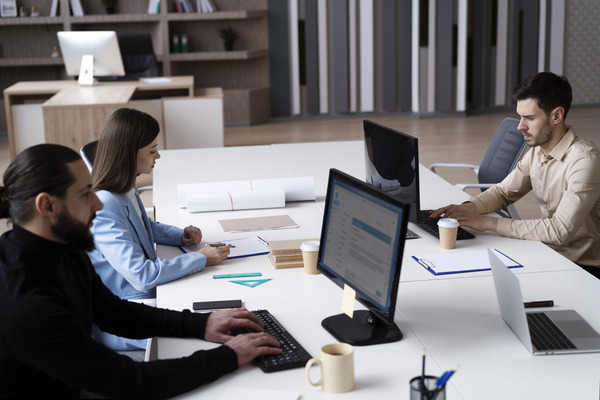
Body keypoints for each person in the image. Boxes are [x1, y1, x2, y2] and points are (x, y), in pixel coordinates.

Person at [0, 143, 281, 398]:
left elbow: (116, 314)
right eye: (86, 194)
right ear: (46, 205)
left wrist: (202, 324)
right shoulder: (26, 304)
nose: (98, 203)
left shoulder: (63, 247)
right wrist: (229, 356)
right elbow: (133, 381)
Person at [87, 108, 231, 350]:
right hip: (128, 314)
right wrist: (199, 259)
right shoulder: (106, 205)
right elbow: (142, 276)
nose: (159, 156)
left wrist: (180, 236)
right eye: (152, 151)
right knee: (212, 326)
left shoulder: (124, 188)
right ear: (128, 154)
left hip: (146, 299)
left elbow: (146, 225)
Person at [431, 72, 600, 276]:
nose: (520, 126)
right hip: (550, 253)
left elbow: (559, 230)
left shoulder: (584, 161)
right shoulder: (538, 151)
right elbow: (503, 193)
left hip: (586, 268)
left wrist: (488, 223)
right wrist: (467, 208)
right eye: (520, 117)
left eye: (529, 118)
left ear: (556, 116)